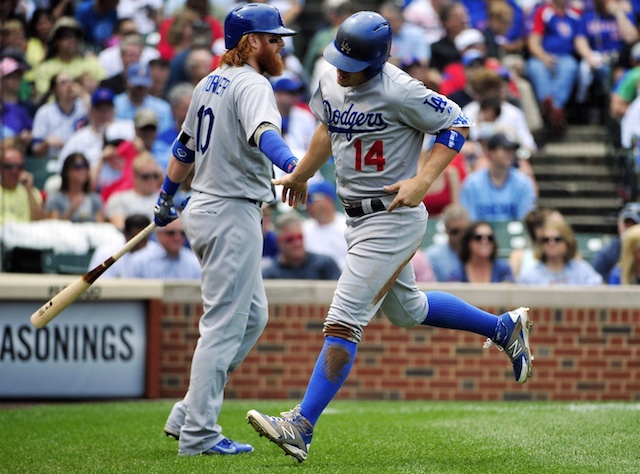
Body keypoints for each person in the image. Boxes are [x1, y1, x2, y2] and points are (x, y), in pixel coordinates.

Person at [245, 11, 534, 463]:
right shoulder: (330, 78)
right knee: (409, 310)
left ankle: (301, 425)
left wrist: (423, 179)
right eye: (338, 56)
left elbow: (455, 124)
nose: (340, 67)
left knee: (343, 320)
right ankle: (502, 328)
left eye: (351, 60)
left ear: (377, 60)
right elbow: (327, 128)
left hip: (393, 216)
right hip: (358, 218)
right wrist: (301, 172)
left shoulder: (401, 89)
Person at [156, 3, 299, 456]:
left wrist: (165, 196)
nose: (279, 46)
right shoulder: (253, 83)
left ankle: (187, 413)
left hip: (206, 207)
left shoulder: (207, 81)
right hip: (231, 212)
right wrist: (293, 166)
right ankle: (199, 434)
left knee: (253, 317)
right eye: (272, 38)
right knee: (221, 327)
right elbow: (264, 135)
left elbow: (184, 146)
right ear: (250, 41)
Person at [460, 131, 536, 222]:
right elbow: (469, 219)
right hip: (482, 235)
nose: (510, 153)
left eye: (512, 150)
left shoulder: (523, 183)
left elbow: (525, 219)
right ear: (491, 153)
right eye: (505, 149)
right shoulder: (472, 183)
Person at [517, 220, 603, 286]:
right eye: (546, 240)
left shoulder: (581, 270)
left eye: (557, 239)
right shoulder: (530, 276)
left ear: (567, 242)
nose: (551, 243)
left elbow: (599, 290)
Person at [263, 211, 342, 279]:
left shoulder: (326, 265)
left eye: (300, 237)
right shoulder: (269, 274)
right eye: (290, 239)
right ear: (278, 242)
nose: (297, 243)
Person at [31, 71, 89, 159]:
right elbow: (35, 149)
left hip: (82, 160)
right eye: (63, 83)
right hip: (54, 159)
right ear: (55, 90)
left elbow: (99, 121)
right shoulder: (44, 113)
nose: (69, 85)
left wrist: (83, 94)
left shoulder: (84, 106)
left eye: (71, 82)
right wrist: (46, 143)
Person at [123, 217, 201, 279]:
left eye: (182, 233)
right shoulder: (139, 260)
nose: (177, 238)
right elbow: (128, 294)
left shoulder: (194, 261)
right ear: (158, 235)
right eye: (171, 233)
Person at [87, 213, 157, 278]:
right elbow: (98, 282)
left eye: (143, 238)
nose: (139, 242)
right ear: (125, 234)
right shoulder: (106, 252)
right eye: (135, 237)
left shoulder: (157, 253)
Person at [105, 151, 162, 229]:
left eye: (155, 176)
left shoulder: (165, 200)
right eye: (145, 176)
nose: (151, 180)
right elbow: (122, 228)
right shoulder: (118, 199)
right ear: (135, 177)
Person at [45, 152, 105, 222]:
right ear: (67, 172)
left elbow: (100, 228)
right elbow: (54, 227)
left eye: (85, 166)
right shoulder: (55, 199)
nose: (83, 171)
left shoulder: (95, 199)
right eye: (78, 166)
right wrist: (71, 210)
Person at [302, 180, 347, 270]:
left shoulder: (347, 226)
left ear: (328, 200)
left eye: (311, 200)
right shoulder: (304, 229)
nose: (307, 205)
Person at [509, 206, 565, 279]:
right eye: (557, 226)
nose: (564, 231)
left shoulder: (572, 257)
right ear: (538, 230)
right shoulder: (518, 257)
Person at [448, 220, 514, 282]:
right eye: (478, 237)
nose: (485, 241)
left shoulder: (503, 269)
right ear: (468, 242)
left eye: (489, 238)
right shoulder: (457, 272)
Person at [592, 202, 640, 282]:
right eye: (626, 223)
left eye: (634, 224)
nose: (629, 229)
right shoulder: (605, 255)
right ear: (619, 223)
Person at [0, 141, 43, 224]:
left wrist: (29, 190)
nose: (14, 171)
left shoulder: (32, 192)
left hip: (25, 234)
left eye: (19, 167)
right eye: (9, 166)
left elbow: (39, 222)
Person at [425, 203, 470, 281]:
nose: (461, 236)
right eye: (455, 231)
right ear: (446, 228)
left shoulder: (477, 254)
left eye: (464, 231)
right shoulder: (433, 256)